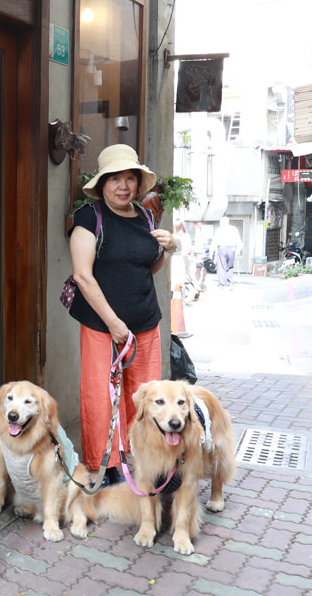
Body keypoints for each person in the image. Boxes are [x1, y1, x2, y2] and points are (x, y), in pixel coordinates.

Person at [67, 144, 178, 485]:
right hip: (103, 326)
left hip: (145, 321)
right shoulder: (90, 217)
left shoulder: (145, 216)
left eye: (130, 178)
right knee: (102, 395)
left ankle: (146, 458)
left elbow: (148, 267)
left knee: (145, 396)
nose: (123, 186)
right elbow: (83, 275)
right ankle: (108, 464)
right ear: (102, 183)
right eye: (115, 178)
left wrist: (169, 250)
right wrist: (114, 323)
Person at [212, 216, 242, 288]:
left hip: (222, 248)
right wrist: (238, 250)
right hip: (232, 249)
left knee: (222, 266)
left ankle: (223, 283)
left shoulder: (219, 230)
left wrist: (212, 253)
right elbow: (238, 241)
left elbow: (215, 242)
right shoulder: (234, 229)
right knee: (230, 266)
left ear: (222, 222)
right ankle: (230, 281)